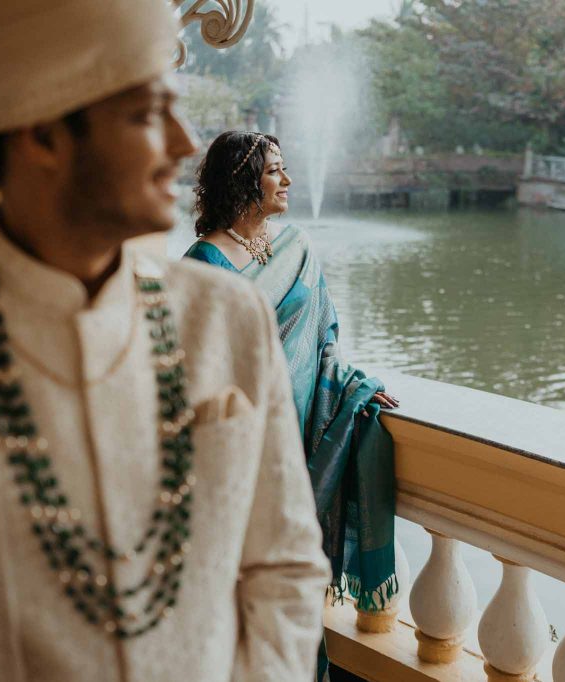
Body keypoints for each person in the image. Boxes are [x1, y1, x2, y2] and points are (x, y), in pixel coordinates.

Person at [0, 2, 330, 681]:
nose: (185, 143)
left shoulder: (227, 319)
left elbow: (286, 571)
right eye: (146, 114)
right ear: (43, 135)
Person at [185, 131, 400, 680]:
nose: (287, 180)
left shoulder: (296, 247)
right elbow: (193, 370)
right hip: (239, 454)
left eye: (284, 169)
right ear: (241, 180)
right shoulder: (203, 263)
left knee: (295, 593)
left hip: (301, 435)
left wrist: (352, 387)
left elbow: (324, 338)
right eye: (275, 170)